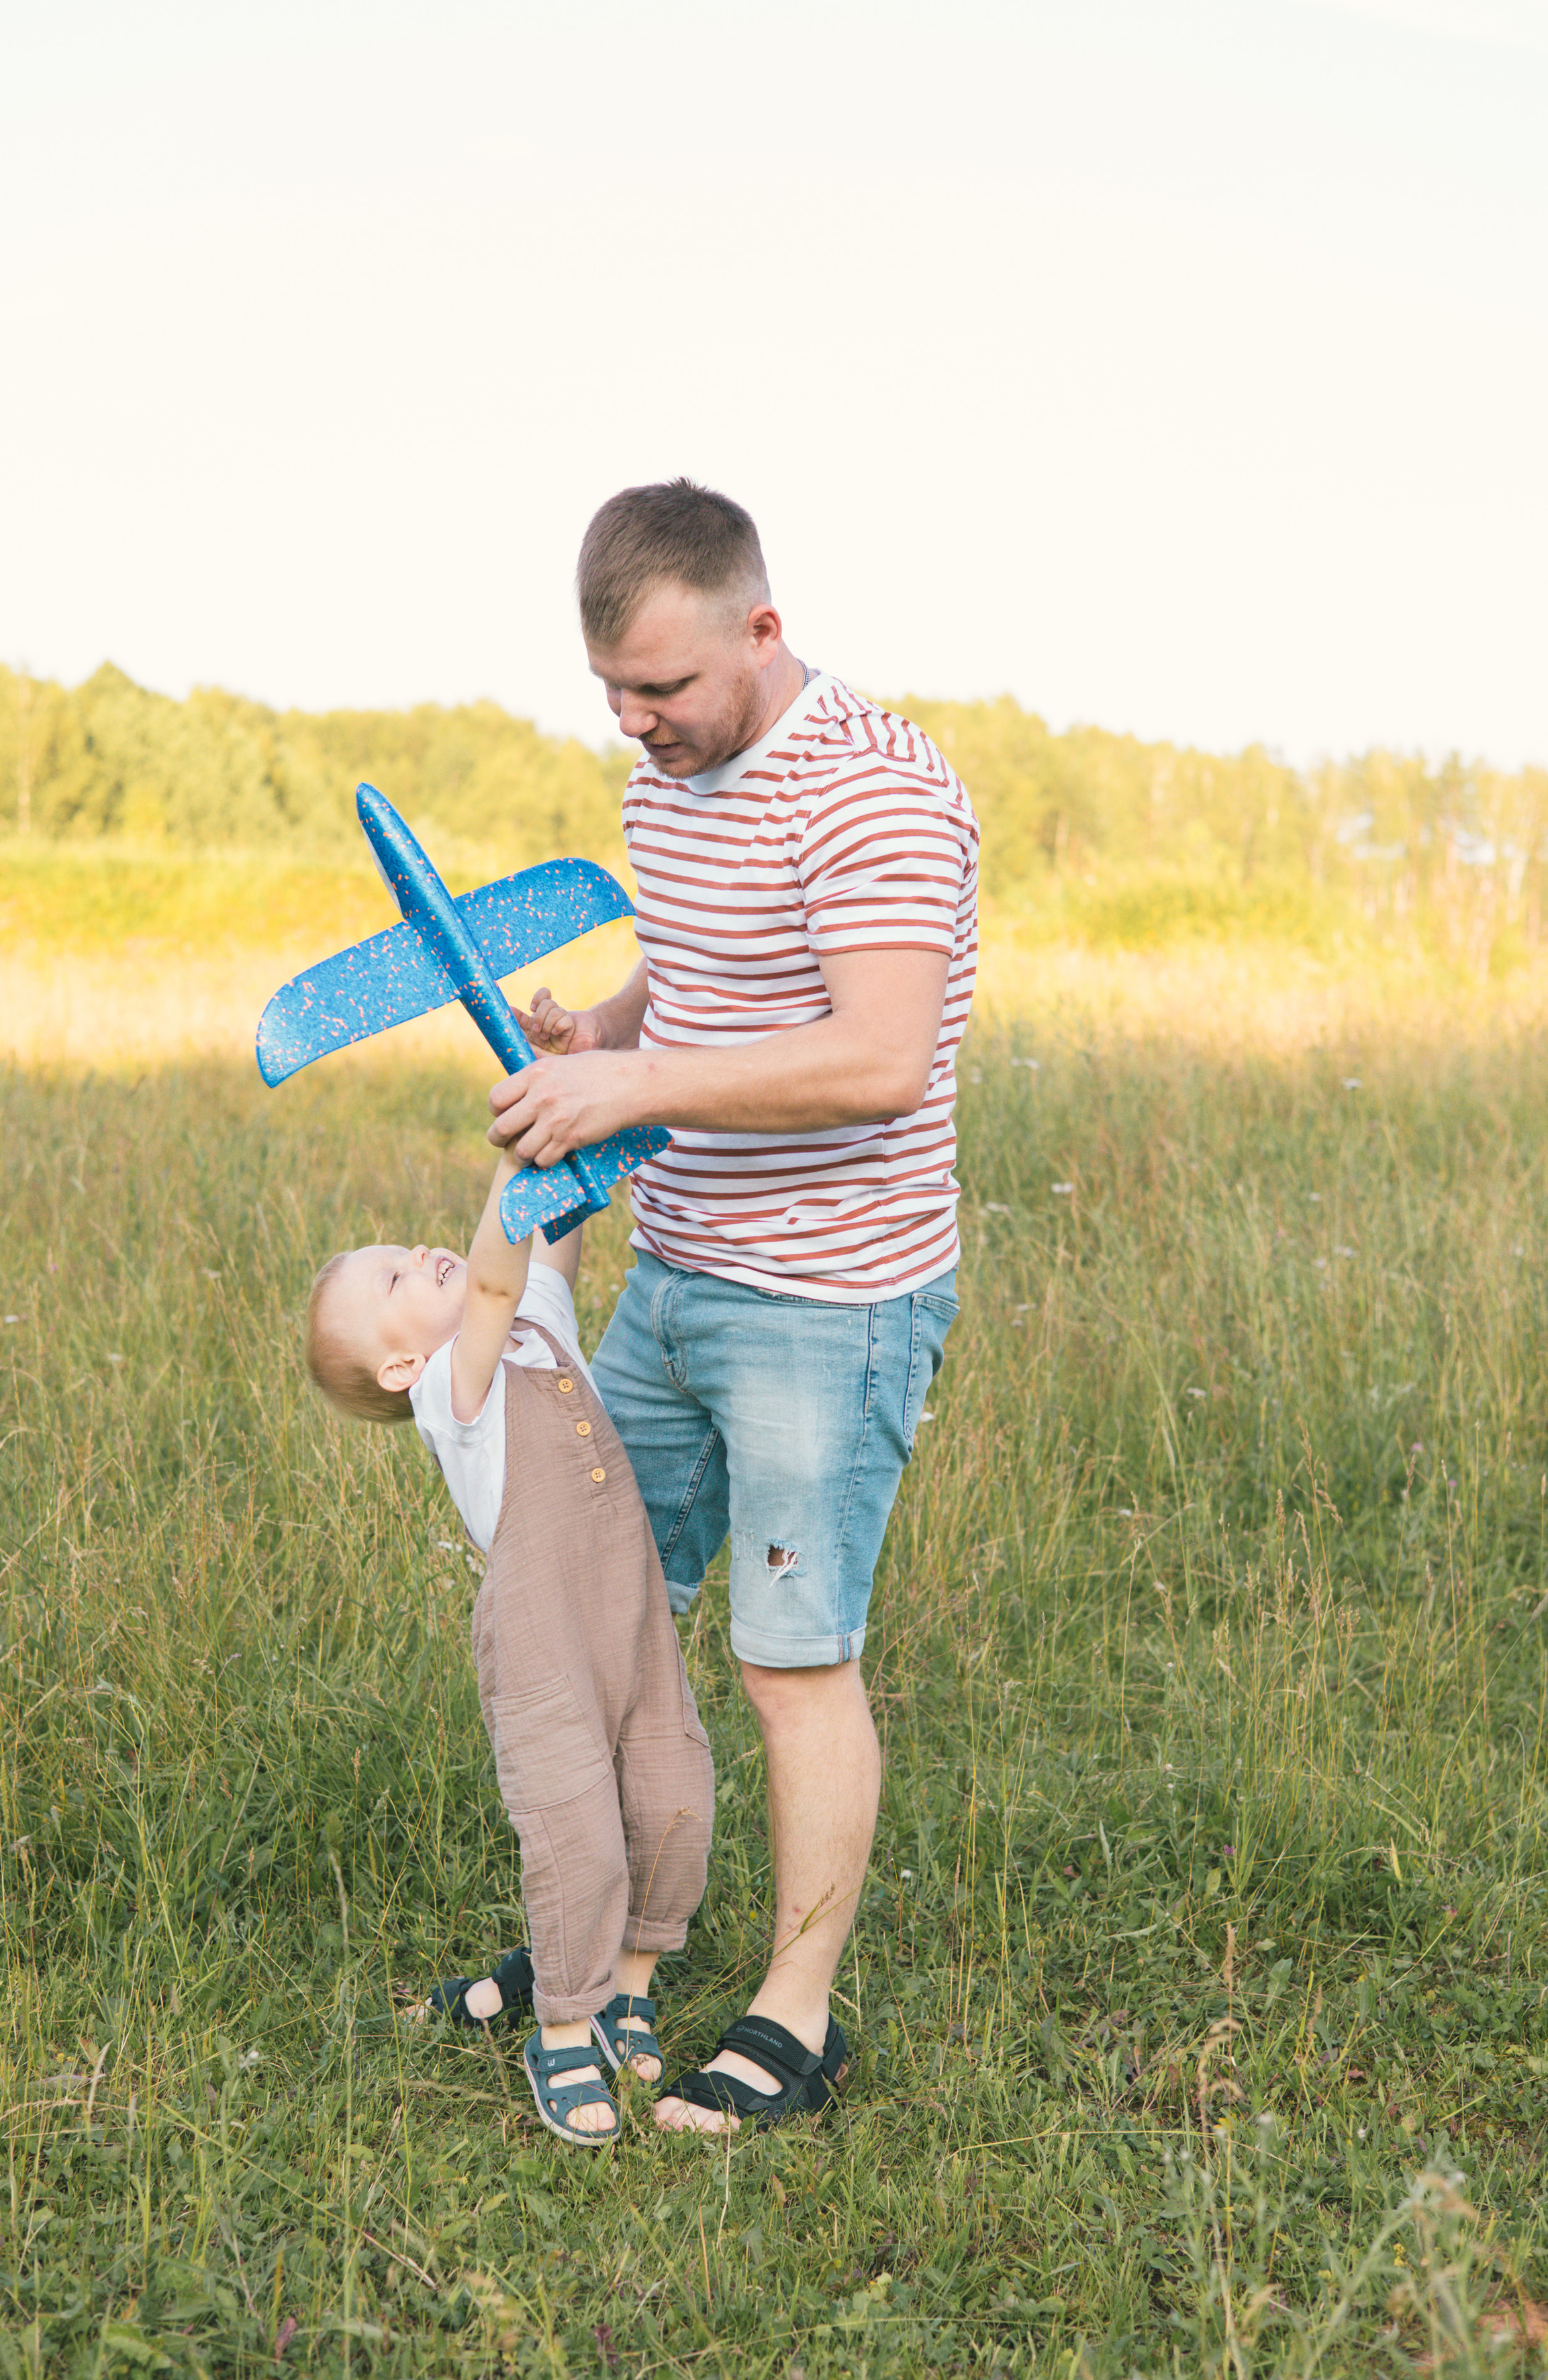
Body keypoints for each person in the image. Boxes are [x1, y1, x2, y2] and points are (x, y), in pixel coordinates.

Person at [495, 479, 979, 2134]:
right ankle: (604, 1950)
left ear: (759, 630)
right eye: (612, 697)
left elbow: (874, 1056)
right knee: (600, 1616)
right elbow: (705, 975)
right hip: (678, 1274)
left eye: (666, 691)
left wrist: (640, 1084)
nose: (640, 729)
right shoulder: (674, 779)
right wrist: (608, 1033)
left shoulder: (878, 796)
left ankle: (796, 2014)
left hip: (825, 1304)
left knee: (788, 1661)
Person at [304, 1145, 715, 2145]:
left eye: (406, 1248)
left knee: (673, 1794)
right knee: (572, 1822)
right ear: (401, 1366)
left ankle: (629, 1985)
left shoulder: (532, 1328)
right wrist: (517, 1154)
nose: (422, 1254)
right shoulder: (455, 1392)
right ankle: (562, 2024)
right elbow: (492, 1270)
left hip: (630, 1617)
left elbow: (549, 1254)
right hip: (542, 1640)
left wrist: (568, 1133)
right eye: (395, 1278)